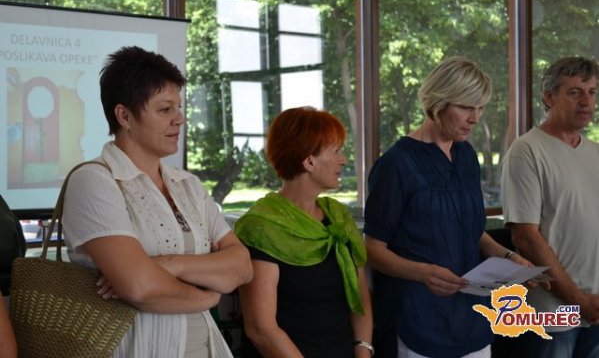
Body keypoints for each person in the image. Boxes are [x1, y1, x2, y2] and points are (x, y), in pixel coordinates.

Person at [62, 46, 253, 358]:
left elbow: (242, 267)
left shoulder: (188, 185)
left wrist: (169, 264)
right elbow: (139, 287)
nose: (179, 120)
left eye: (179, 108)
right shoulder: (95, 180)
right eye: (165, 110)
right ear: (124, 116)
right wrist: (208, 296)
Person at [363, 56, 534, 358]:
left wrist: (509, 258)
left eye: (480, 108)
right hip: (418, 319)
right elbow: (372, 249)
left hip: (473, 319)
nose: (475, 118)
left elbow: (471, 230)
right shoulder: (395, 165)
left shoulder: (466, 156)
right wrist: (422, 273)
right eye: (467, 107)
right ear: (438, 102)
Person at [235, 106, 373, 358]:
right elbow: (261, 329)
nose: (344, 160)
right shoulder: (262, 226)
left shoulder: (338, 217)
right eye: (336, 151)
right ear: (309, 161)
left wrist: (363, 350)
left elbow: (361, 299)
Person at [501, 56, 599, 357]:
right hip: (553, 315)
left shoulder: (595, 152)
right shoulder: (526, 150)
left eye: (592, 92)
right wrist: (578, 302)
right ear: (549, 97)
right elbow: (526, 238)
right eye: (574, 92)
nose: (586, 101)